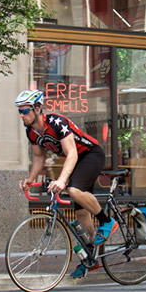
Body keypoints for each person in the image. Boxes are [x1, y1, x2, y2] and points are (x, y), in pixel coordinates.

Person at [15, 89, 118, 279]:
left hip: (90, 155)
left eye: (24, 110)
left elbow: (72, 153)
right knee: (80, 213)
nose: (21, 115)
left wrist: (62, 180)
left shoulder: (56, 122)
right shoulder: (31, 131)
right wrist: (31, 179)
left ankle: (107, 221)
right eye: (19, 111)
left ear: (37, 108)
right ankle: (91, 256)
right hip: (77, 161)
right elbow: (39, 157)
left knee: (73, 189)